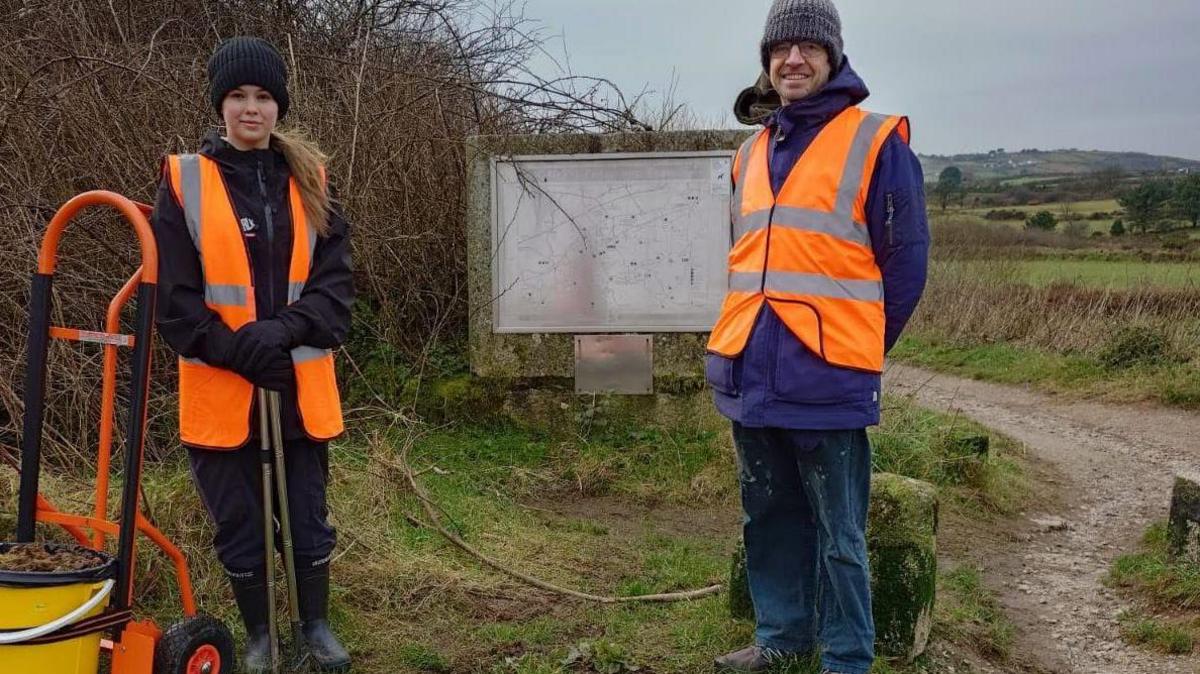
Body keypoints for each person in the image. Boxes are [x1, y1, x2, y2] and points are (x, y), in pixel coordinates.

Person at [706, 1, 930, 672]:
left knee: (840, 534)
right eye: (781, 50)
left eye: (808, 48)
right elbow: (745, 258)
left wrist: (856, 348)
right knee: (768, 517)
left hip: (827, 374)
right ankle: (782, 639)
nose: (793, 60)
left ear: (833, 58)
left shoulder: (876, 140)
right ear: (767, 62)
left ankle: (847, 657)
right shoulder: (750, 153)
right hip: (750, 370)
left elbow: (906, 262)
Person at [151, 36, 354, 673]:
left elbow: (335, 287)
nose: (250, 108)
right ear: (220, 105)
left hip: (297, 386)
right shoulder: (186, 181)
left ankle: (314, 628)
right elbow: (176, 302)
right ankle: (261, 634)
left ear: (278, 106)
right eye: (238, 96)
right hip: (223, 388)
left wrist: (285, 330)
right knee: (240, 522)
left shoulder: (311, 181)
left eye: (263, 96)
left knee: (306, 513)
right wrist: (240, 349)